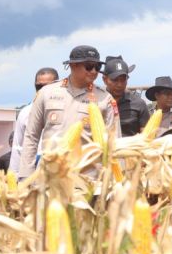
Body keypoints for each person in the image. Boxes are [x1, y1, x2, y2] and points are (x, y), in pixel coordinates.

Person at [18, 46, 119, 178]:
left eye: (97, 67)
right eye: (89, 66)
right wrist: (26, 175)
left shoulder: (105, 99)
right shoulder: (47, 93)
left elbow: (115, 142)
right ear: (73, 66)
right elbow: (31, 136)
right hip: (50, 179)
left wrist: (117, 182)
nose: (94, 71)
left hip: (88, 180)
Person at [8, 67, 59, 174]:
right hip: (32, 172)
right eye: (39, 86)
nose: (42, 90)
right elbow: (17, 148)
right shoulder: (25, 113)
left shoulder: (66, 110)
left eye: (47, 86)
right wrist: (14, 177)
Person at [102, 55, 149, 137]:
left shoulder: (139, 104)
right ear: (105, 80)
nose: (119, 85)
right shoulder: (97, 102)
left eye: (123, 80)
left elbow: (147, 136)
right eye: (115, 80)